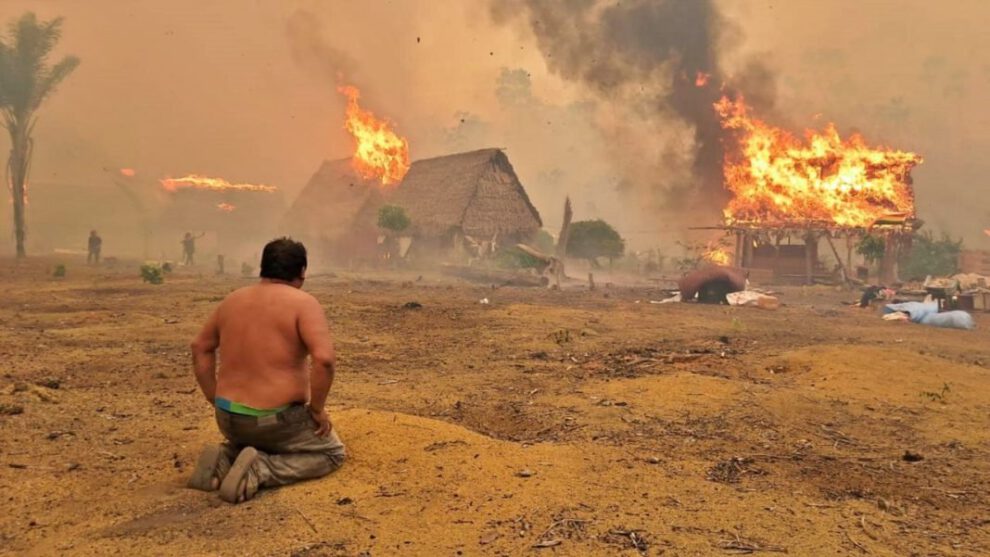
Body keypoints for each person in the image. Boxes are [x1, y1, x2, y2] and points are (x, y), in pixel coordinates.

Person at [187, 237, 345, 503]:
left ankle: (225, 459)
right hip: (275, 422)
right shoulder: (303, 303)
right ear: (302, 272)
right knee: (331, 454)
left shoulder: (232, 300)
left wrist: (213, 397)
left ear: (263, 267)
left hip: (227, 417)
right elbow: (324, 360)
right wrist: (316, 409)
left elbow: (199, 346)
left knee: (255, 440)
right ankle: (261, 469)